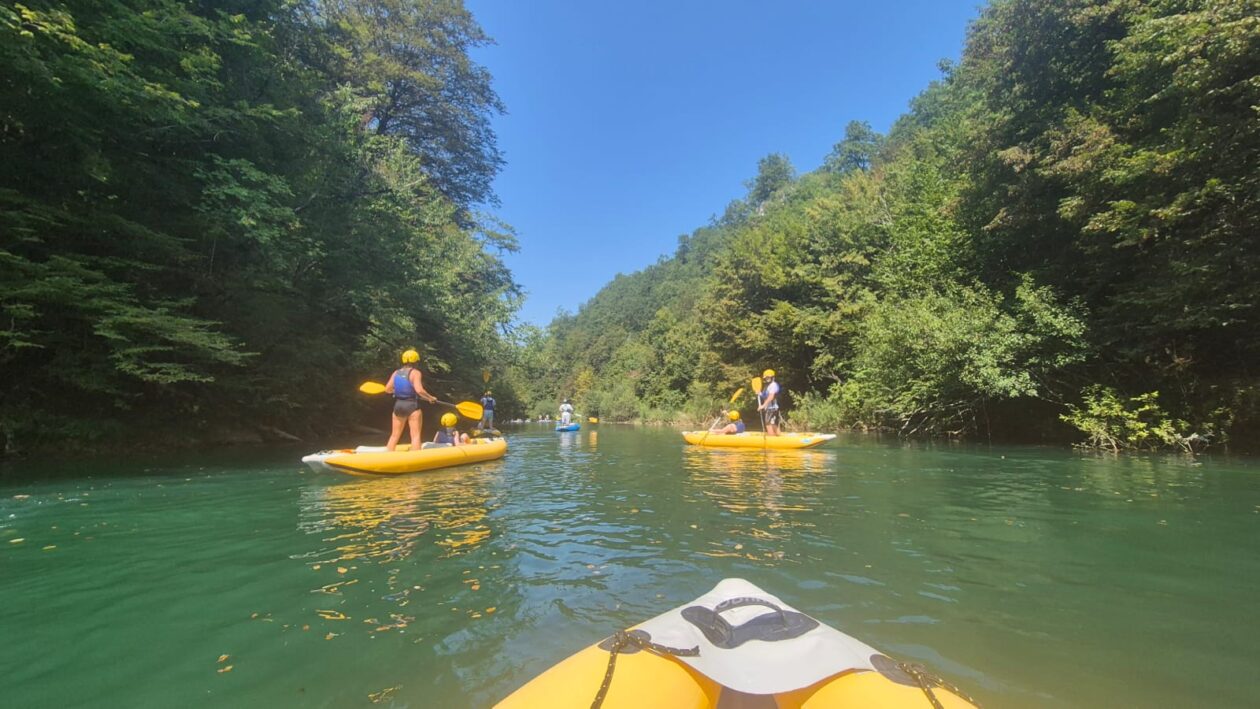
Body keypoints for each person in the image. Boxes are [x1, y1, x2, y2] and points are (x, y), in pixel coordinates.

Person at [384, 349, 437, 451]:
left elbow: (387, 389)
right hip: (412, 405)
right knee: (415, 436)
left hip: (398, 405)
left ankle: (388, 455)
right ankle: (417, 457)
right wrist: (431, 398)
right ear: (416, 361)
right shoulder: (415, 373)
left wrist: (397, 391)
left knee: (394, 435)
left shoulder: (396, 373)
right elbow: (419, 390)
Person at [757, 369, 782, 436]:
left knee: (769, 424)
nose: (766, 379)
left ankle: (772, 439)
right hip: (769, 408)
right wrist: (759, 393)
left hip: (772, 408)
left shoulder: (773, 385)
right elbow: (765, 396)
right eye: (766, 378)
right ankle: (779, 438)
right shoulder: (767, 386)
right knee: (772, 424)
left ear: (772, 377)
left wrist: (763, 405)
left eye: (768, 377)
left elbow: (771, 397)